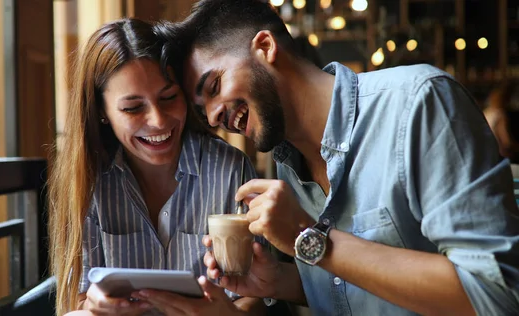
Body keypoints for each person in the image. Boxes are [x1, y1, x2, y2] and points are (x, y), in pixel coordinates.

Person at [142, 0, 519, 315]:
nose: (212, 117)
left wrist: (310, 238)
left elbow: (495, 295)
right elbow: (362, 287)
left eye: (213, 86)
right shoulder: (287, 165)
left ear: (265, 46)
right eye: (201, 109)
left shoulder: (418, 102)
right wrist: (280, 281)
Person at [47, 18, 266, 316]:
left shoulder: (230, 170)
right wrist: (95, 304)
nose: (159, 121)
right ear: (102, 111)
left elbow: (258, 297)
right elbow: (80, 299)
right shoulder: (90, 182)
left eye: (168, 98)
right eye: (133, 108)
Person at [483, 82, 519, 162]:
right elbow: (506, 142)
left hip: (488, 155)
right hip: (501, 157)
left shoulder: (487, 112)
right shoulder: (500, 115)